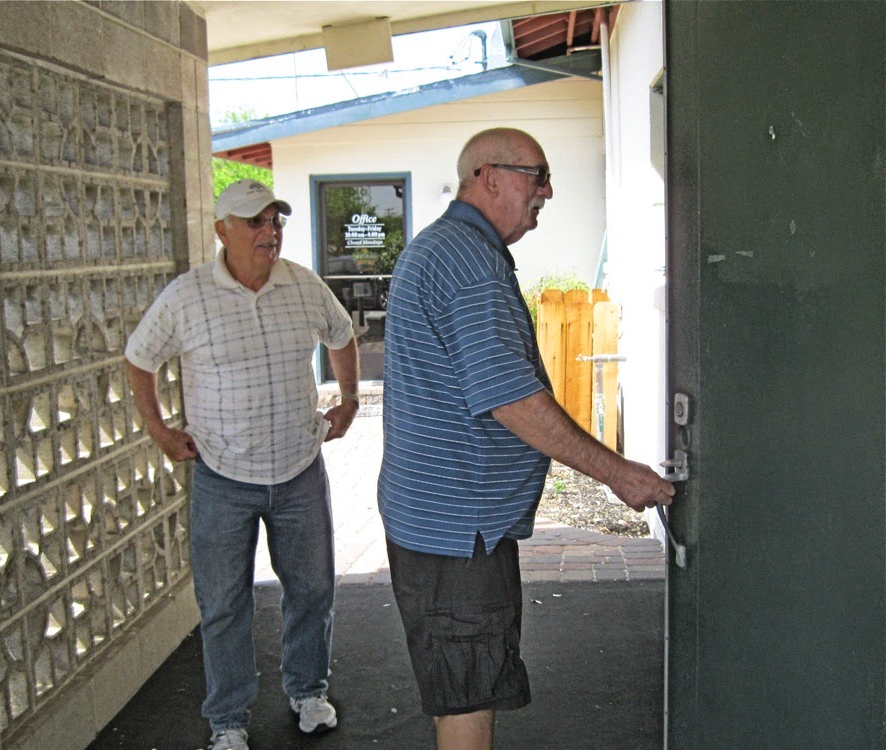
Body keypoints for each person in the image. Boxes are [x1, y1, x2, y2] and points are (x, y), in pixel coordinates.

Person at [377, 128, 675, 750]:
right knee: (468, 693)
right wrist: (618, 473)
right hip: (458, 533)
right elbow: (512, 399)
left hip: (438, 522)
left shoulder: (443, 248)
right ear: (488, 177)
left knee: (459, 684)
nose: (548, 191)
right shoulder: (469, 264)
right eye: (537, 176)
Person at [125, 179, 360, 750]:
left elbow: (342, 335)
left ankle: (309, 691)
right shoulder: (186, 296)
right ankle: (228, 722)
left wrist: (350, 399)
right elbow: (139, 359)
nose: (269, 232)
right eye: (255, 221)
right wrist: (158, 429)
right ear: (222, 230)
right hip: (222, 477)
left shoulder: (303, 284)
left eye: (275, 221)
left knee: (312, 590)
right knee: (225, 604)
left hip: (299, 470)